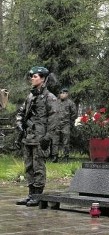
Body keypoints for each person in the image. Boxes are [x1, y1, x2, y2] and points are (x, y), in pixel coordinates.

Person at [15, 66, 59, 207]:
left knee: (38, 166)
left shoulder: (50, 97)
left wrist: (48, 137)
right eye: (32, 76)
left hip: (40, 138)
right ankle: (31, 194)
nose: (32, 79)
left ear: (43, 79)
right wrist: (19, 123)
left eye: (35, 76)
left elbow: (54, 120)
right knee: (28, 166)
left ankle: (38, 196)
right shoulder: (30, 96)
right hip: (28, 136)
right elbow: (21, 112)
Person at [51, 87, 77, 162]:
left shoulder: (70, 103)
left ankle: (66, 156)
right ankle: (55, 156)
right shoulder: (55, 102)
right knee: (55, 141)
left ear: (67, 94)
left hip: (66, 124)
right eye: (61, 93)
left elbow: (74, 114)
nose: (63, 95)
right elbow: (52, 112)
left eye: (64, 93)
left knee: (66, 141)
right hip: (56, 124)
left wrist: (70, 121)